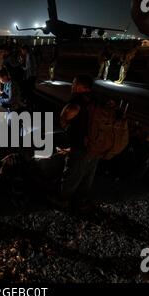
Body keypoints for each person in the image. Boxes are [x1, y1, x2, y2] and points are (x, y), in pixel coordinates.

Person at [47, 75, 99, 210]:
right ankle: (81, 200)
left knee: (72, 174)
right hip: (96, 144)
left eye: (74, 83)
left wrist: (64, 122)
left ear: (80, 86)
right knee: (88, 174)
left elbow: (67, 115)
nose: (72, 85)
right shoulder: (96, 99)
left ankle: (63, 200)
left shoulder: (78, 101)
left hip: (81, 145)